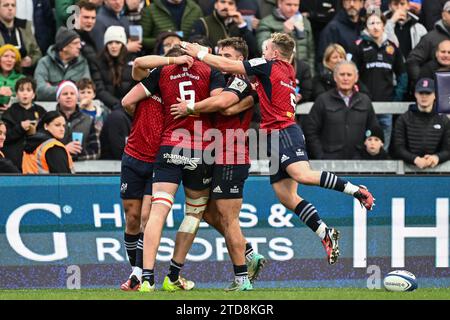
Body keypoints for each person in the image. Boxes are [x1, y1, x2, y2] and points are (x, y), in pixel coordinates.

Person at [180, 33, 375, 267]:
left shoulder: (268, 64)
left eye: (265, 49)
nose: (262, 53)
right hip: (275, 135)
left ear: (274, 53)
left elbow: (228, 67)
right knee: (287, 196)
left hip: (282, 131)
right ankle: (325, 232)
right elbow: (258, 87)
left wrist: (200, 53)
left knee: (302, 175)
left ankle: (357, 191)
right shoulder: (287, 71)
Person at [121, 46, 225, 292]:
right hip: (199, 149)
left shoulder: (163, 72)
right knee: (193, 213)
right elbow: (220, 103)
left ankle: (147, 278)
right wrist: (194, 107)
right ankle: (173, 274)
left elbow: (128, 97)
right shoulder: (211, 70)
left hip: (169, 147)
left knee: (157, 212)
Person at [170, 37, 265, 291]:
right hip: (212, 154)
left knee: (228, 218)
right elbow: (223, 108)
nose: (222, 60)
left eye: (228, 56)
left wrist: (189, 107)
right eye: (220, 54)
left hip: (231, 154)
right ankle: (248, 252)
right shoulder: (222, 81)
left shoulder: (241, 80)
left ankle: (242, 278)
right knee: (208, 213)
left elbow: (223, 106)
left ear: (240, 60)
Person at [118, 93, 165, 291]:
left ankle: (138, 273)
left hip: (158, 161)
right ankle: (136, 271)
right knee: (132, 218)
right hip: (133, 157)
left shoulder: (179, 92)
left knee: (147, 217)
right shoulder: (148, 84)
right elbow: (126, 101)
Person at [353, 10, 407, 149]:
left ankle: (383, 171)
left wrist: (396, 98)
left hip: (387, 105)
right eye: (371, 23)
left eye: (378, 23)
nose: (375, 26)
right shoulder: (359, 46)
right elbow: (353, 74)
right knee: (364, 142)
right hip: (364, 104)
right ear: (366, 27)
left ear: (384, 25)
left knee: (384, 145)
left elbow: (403, 75)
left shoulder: (392, 47)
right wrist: (361, 95)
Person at [304, 61, 380, 160]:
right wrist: (320, 156)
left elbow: (374, 130)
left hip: (358, 162)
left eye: (349, 75)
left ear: (356, 78)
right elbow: (310, 131)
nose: (345, 78)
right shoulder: (323, 100)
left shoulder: (365, 101)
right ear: (335, 77)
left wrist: (366, 154)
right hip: (329, 162)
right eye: (342, 74)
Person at [392, 78, 450, 169]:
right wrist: (415, 159)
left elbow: (448, 149)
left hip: (438, 172)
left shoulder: (443, 120)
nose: (424, 96)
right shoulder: (403, 119)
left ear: (435, 95)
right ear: (415, 94)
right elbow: (398, 148)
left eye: (428, 93)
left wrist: (436, 157)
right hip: (408, 172)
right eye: (421, 93)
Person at [34, 27, 91, 101]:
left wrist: (54, 89)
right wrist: (72, 89)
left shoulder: (82, 63)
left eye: (80, 43)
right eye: (75, 43)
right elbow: (39, 91)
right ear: (64, 47)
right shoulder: (44, 63)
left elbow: (87, 90)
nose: (79, 46)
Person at [1, 77, 46, 169]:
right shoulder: (9, 112)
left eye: (28, 90)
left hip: (36, 159)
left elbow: (47, 133)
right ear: (17, 94)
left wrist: (35, 133)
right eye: (21, 90)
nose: (25, 93)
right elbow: (5, 137)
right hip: (14, 158)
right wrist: (20, 127)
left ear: (33, 94)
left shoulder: (41, 111)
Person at [256, 0, 315, 71]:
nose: (293, 8)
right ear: (280, 3)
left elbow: (311, 52)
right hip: (277, 70)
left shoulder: (304, 22)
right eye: (289, 4)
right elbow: (263, 48)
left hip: (301, 71)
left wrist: (311, 73)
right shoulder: (267, 22)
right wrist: (284, 33)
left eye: (296, 5)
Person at [190, 0, 259, 58]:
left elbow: (254, 52)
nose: (226, 6)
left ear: (235, 8)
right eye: (223, 2)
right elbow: (195, 46)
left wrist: (242, 25)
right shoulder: (202, 23)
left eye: (230, 3)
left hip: (236, 69)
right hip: (212, 69)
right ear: (216, 5)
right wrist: (218, 50)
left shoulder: (239, 25)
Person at [407, 2, 450, 88]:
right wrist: (422, 83)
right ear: (443, 15)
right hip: (433, 93)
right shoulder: (430, 38)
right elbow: (413, 60)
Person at [56, 80, 100, 161]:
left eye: (72, 94)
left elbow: (95, 151)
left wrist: (76, 155)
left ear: (77, 98)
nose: (69, 96)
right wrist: (64, 150)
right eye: (65, 94)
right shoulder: (49, 119)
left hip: (83, 171)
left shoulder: (89, 120)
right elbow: (41, 148)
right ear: (58, 98)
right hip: (54, 170)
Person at [318, 0, 365, 66]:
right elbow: (324, 60)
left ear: (362, 4)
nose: (351, 4)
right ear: (343, 3)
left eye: (355, 1)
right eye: (348, 1)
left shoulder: (365, 27)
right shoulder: (332, 29)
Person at [0, 0, 42, 73]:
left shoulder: (24, 26)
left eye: (13, 5)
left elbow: (37, 53)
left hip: (23, 74)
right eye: (6, 5)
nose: (10, 8)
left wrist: (31, 60)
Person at [0, 44, 24, 112]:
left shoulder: (22, 79)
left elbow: (30, 97)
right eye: (5, 56)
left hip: (15, 114)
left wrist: (14, 99)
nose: (9, 60)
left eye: (13, 57)